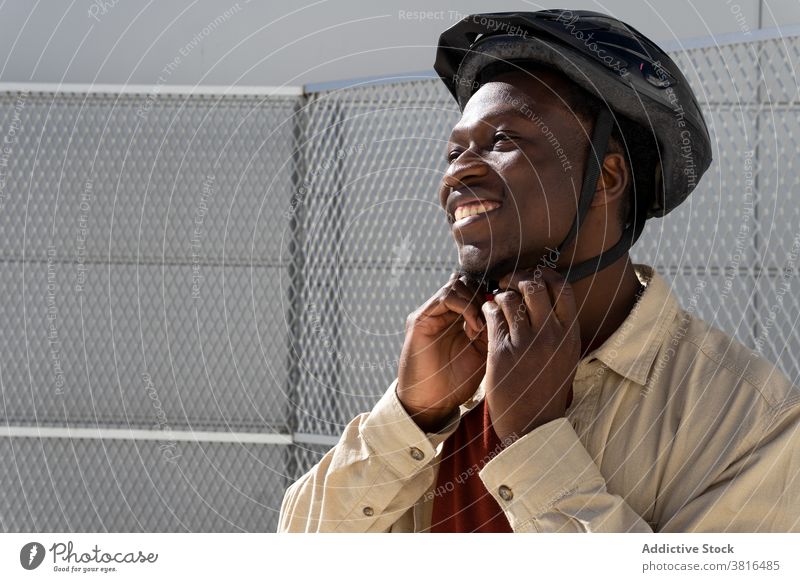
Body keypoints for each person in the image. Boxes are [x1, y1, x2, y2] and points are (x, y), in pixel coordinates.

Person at [278, 10, 800, 532]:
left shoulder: (752, 420)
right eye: (455, 151)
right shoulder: (455, 374)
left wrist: (534, 441)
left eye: (503, 141)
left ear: (607, 177)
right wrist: (412, 417)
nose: (457, 170)